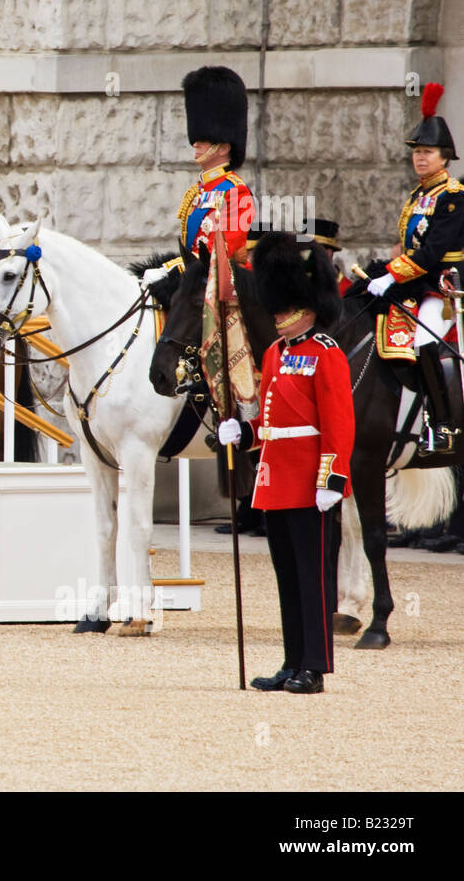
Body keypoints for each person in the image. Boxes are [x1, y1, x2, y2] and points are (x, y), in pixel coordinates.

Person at [218, 232, 353, 695]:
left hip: (312, 480)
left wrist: (332, 476)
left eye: (285, 310)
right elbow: (276, 417)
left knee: (314, 577)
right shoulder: (276, 353)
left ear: (308, 307)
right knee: (287, 575)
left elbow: (337, 421)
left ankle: (314, 666)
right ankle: (292, 659)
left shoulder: (326, 353)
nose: (277, 318)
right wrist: (246, 432)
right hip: (277, 479)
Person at [364, 82, 464, 453]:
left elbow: (433, 251)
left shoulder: (452, 196)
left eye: (427, 152)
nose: (420, 158)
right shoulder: (418, 194)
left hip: (444, 288)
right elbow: (408, 245)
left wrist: (392, 274)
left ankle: (442, 424)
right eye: (417, 152)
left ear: (444, 156)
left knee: (423, 342)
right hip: (416, 283)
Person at [144, 66, 255, 286]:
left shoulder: (235, 191)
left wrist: (170, 269)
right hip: (197, 279)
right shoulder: (199, 190)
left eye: (203, 140)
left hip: (224, 285)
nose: (195, 143)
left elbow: (221, 251)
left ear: (223, 147)